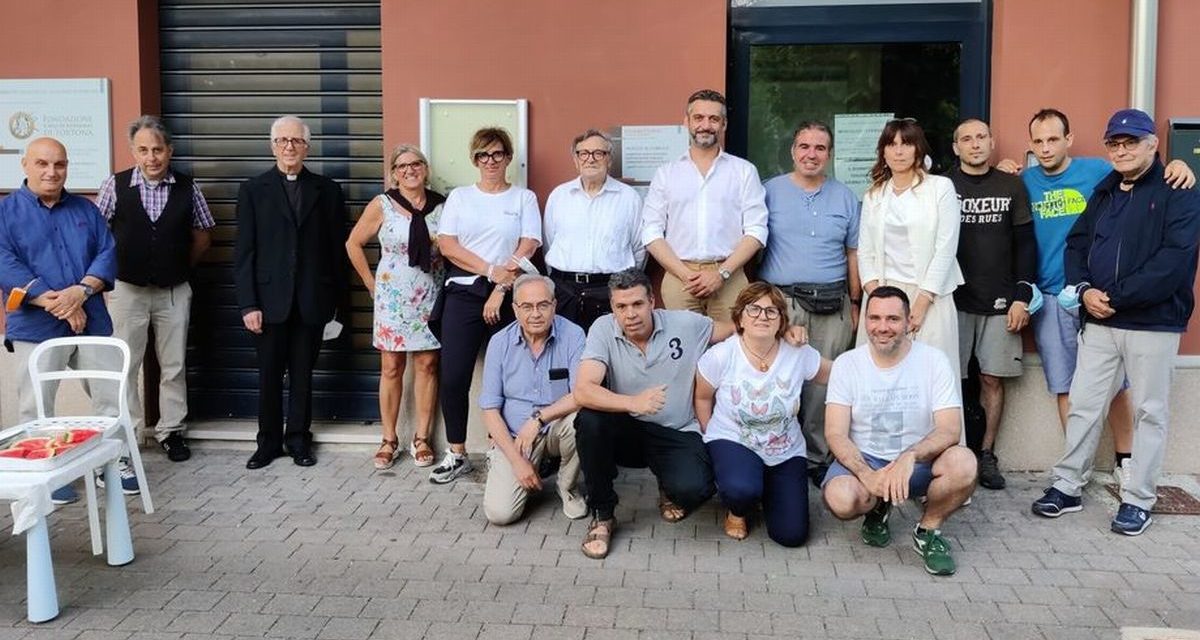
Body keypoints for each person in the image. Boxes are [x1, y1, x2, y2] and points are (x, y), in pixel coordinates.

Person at [1032, 109, 1200, 536]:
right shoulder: (1105, 189)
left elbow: (1175, 262)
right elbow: (1077, 242)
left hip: (1152, 323)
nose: (1122, 150)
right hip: (1100, 321)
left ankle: (1139, 499)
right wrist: (1085, 289)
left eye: (1131, 142)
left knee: (1149, 412)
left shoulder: (1177, 189)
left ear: (1152, 145)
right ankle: (1068, 486)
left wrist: (1117, 299)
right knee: (1086, 405)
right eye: (1115, 144)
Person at [822, 286, 976, 576]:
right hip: (867, 461)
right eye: (875, 318)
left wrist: (910, 456)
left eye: (893, 319)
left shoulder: (933, 361)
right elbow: (835, 434)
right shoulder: (847, 364)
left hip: (917, 465)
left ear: (909, 322)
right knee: (841, 499)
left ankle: (928, 530)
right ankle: (877, 508)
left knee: (964, 463)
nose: (883, 327)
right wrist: (868, 475)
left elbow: (950, 429)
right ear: (865, 320)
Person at [0, 137, 118, 504]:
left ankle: (113, 464)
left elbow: (108, 252)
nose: (52, 172)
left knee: (108, 397)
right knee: (36, 405)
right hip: (35, 323)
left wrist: (79, 294)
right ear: (25, 165)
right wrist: (55, 301)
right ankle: (45, 470)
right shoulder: (6, 213)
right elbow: (5, 261)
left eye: (59, 165)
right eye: (42, 164)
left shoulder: (86, 210)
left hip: (91, 318)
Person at [96, 115, 214, 467]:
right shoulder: (114, 186)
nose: (152, 157)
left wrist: (179, 266)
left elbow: (204, 234)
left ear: (169, 151)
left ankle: (171, 431)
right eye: (144, 150)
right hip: (126, 289)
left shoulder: (187, 187)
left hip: (173, 290)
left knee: (173, 364)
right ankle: (127, 434)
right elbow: (96, 236)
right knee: (126, 365)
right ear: (133, 151)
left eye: (158, 150)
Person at [234, 115, 348, 469]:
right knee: (269, 375)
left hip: (312, 300)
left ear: (307, 147)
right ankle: (267, 443)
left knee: (302, 375)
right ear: (272, 146)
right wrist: (248, 303)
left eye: (296, 141)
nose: (289, 147)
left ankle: (298, 439)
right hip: (268, 303)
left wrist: (337, 307)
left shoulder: (327, 191)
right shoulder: (253, 191)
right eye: (282, 141)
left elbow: (336, 252)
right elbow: (244, 253)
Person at [433, 127, 541, 484]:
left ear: (508, 157)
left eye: (497, 154)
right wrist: (489, 270)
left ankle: (508, 449)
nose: (490, 161)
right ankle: (457, 452)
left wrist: (500, 283)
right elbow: (448, 245)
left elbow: (529, 244)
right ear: (474, 160)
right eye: (483, 155)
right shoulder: (460, 197)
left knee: (514, 374)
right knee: (453, 376)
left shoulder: (523, 198)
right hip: (464, 293)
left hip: (510, 294)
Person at [759, 121, 861, 483]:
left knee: (823, 386)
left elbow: (853, 254)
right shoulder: (769, 192)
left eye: (819, 148)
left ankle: (815, 461)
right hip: (781, 302)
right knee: (779, 381)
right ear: (793, 151)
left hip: (833, 304)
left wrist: (855, 301)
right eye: (804, 146)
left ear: (829, 155)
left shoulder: (845, 197)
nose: (811, 154)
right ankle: (776, 455)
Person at [694, 282, 832, 546]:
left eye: (771, 311)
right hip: (734, 439)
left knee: (791, 536)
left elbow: (834, 375)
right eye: (754, 309)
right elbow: (702, 396)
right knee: (741, 488)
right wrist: (710, 434)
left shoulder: (797, 353)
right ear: (740, 317)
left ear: (781, 319)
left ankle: (767, 488)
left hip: (785, 448)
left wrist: (877, 367)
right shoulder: (722, 354)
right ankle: (737, 509)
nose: (762, 316)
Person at [945, 118, 1037, 490]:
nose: (975, 144)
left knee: (991, 379)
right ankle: (953, 452)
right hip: (952, 300)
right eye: (966, 139)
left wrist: (1022, 296)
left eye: (981, 137)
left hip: (1000, 302)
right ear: (956, 148)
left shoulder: (1012, 185)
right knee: (951, 379)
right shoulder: (942, 186)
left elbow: (1026, 245)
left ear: (992, 142)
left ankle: (986, 454)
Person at [346, 144, 443, 470]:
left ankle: (422, 438)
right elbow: (353, 243)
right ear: (394, 172)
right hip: (393, 299)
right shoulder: (382, 204)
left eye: (416, 164)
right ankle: (389, 438)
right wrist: (370, 284)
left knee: (428, 365)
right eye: (402, 166)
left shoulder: (441, 206)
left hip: (430, 295)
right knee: (391, 367)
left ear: (425, 169)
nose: (410, 170)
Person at [642, 89, 768, 321]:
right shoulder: (666, 174)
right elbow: (650, 231)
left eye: (714, 119)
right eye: (698, 118)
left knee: (735, 347)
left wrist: (722, 273)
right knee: (685, 351)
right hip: (680, 278)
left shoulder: (744, 171)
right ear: (687, 122)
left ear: (724, 125)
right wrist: (685, 274)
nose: (705, 125)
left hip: (730, 277)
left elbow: (757, 231)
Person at [857, 118, 964, 380]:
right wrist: (878, 298)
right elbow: (865, 252)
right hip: (883, 294)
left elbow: (946, 248)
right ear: (883, 151)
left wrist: (921, 302)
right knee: (878, 376)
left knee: (929, 377)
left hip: (930, 295)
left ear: (918, 149)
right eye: (891, 144)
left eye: (906, 144)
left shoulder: (940, 188)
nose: (899, 151)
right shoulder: (875, 194)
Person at [480, 275, 587, 524]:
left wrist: (538, 420)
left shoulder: (573, 336)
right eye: (527, 307)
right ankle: (508, 463)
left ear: (554, 305)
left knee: (583, 421)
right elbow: (490, 409)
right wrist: (517, 462)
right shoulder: (499, 343)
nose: (535, 314)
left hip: (556, 428)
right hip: (516, 438)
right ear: (515, 309)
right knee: (500, 514)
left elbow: (581, 395)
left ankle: (567, 487)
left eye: (543, 305)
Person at [543, 129, 643, 331]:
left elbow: (639, 248)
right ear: (576, 159)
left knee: (608, 355)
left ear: (609, 159)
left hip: (611, 291)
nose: (591, 159)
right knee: (566, 354)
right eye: (584, 153)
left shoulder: (628, 198)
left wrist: (622, 285)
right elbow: (549, 242)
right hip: (564, 291)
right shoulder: (559, 196)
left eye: (599, 153)